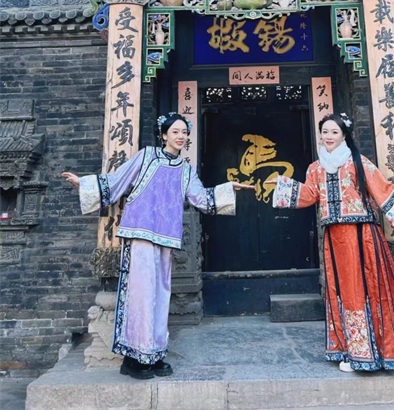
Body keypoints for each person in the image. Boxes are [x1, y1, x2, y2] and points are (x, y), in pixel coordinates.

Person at [62, 112, 253, 380]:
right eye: (175, 131)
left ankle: (153, 353)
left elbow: (202, 199)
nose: (181, 136)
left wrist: (228, 188)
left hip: (165, 238)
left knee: (160, 296)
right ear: (164, 135)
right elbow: (116, 182)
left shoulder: (185, 169)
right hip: (139, 234)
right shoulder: (146, 157)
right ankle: (134, 357)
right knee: (140, 296)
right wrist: (83, 183)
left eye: (184, 132)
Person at [267, 112, 394, 373]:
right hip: (335, 240)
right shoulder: (315, 168)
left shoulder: (358, 162)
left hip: (362, 235)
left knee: (375, 290)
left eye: (334, 132)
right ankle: (355, 351)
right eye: (325, 132)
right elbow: (309, 195)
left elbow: (381, 189)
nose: (328, 136)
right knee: (345, 294)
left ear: (344, 135)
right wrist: (282, 186)